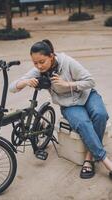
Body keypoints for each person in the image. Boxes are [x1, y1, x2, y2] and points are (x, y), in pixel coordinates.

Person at [9, 39, 112, 179]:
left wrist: (67, 84)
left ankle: (89, 156)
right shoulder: (39, 70)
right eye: (35, 63)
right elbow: (12, 88)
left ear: (51, 56)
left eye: (42, 61)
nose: (38, 66)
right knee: (83, 123)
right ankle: (105, 162)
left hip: (87, 95)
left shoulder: (67, 62)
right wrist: (25, 82)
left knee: (100, 114)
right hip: (69, 104)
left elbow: (90, 81)